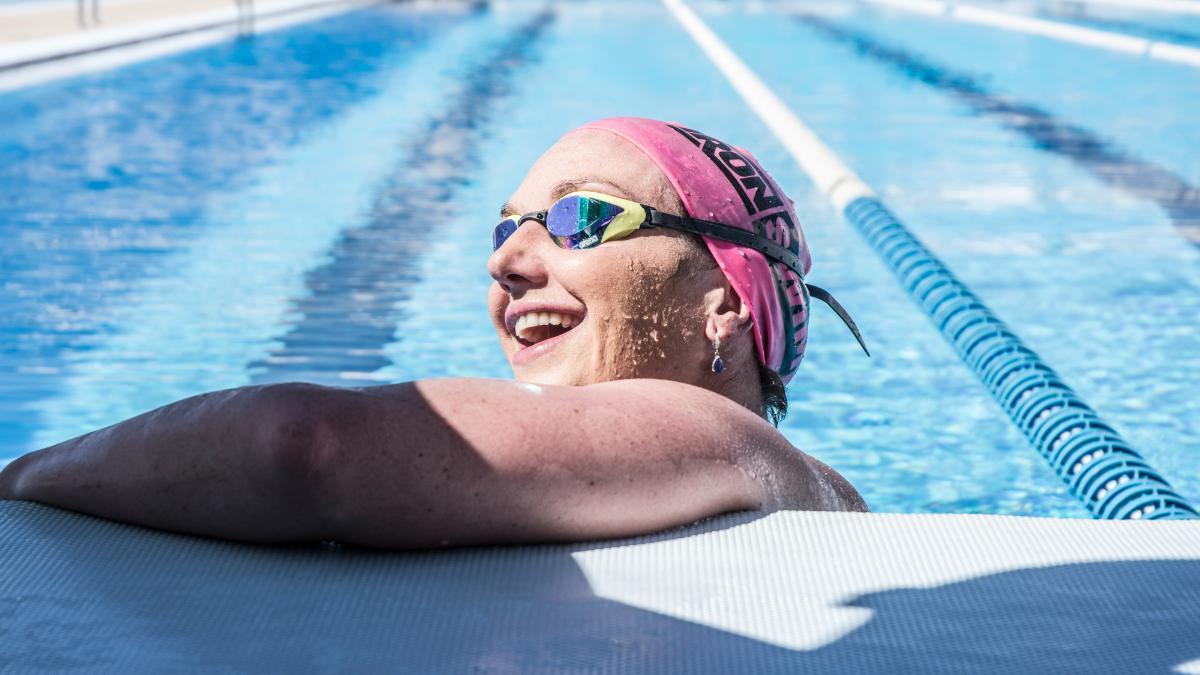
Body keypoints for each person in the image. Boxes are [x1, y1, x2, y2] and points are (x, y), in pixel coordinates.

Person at [0, 117, 868, 549]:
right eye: (505, 230)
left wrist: (19, 477)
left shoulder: (713, 432)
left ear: (723, 299)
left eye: (581, 217)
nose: (508, 262)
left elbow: (301, 445)